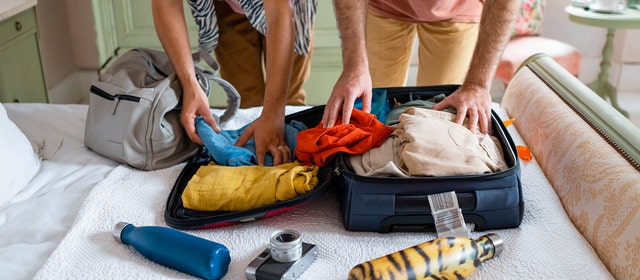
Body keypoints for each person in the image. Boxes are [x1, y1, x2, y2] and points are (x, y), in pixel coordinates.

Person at [151, 0, 317, 166]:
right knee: (247, 99)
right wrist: (190, 85)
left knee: (287, 102)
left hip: (287, 9)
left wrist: (273, 116)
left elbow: (278, 10)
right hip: (227, 7)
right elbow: (167, 4)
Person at [322, 0, 520, 134]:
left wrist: (477, 84)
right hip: (383, 7)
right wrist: (354, 65)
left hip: (459, 9)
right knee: (369, 114)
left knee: (443, 122)